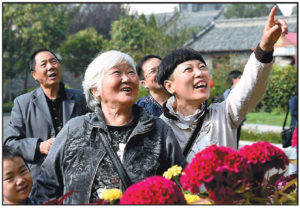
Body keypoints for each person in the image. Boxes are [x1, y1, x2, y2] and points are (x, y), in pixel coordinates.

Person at [32, 50, 187, 204]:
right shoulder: (74, 129)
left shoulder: (158, 129)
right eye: (117, 73)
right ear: (95, 89)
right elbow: (46, 186)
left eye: (131, 72)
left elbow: (180, 185)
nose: (127, 78)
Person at [156, 6, 288, 162]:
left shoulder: (224, 113)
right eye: (188, 69)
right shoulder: (160, 129)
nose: (199, 73)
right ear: (170, 86)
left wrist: (265, 47)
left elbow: (250, 86)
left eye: (202, 67)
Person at [4, 48, 89, 188]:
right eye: (43, 64)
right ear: (34, 74)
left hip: (79, 178)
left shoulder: (81, 98)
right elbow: (10, 143)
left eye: (54, 61)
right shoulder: (22, 103)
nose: (50, 66)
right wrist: (39, 147)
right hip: (40, 182)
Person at [214, 70, 245, 148]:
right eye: (240, 77)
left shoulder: (241, 92)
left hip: (238, 122)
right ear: (234, 79)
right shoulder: (229, 92)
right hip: (228, 122)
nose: (242, 79)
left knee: (235, 145)